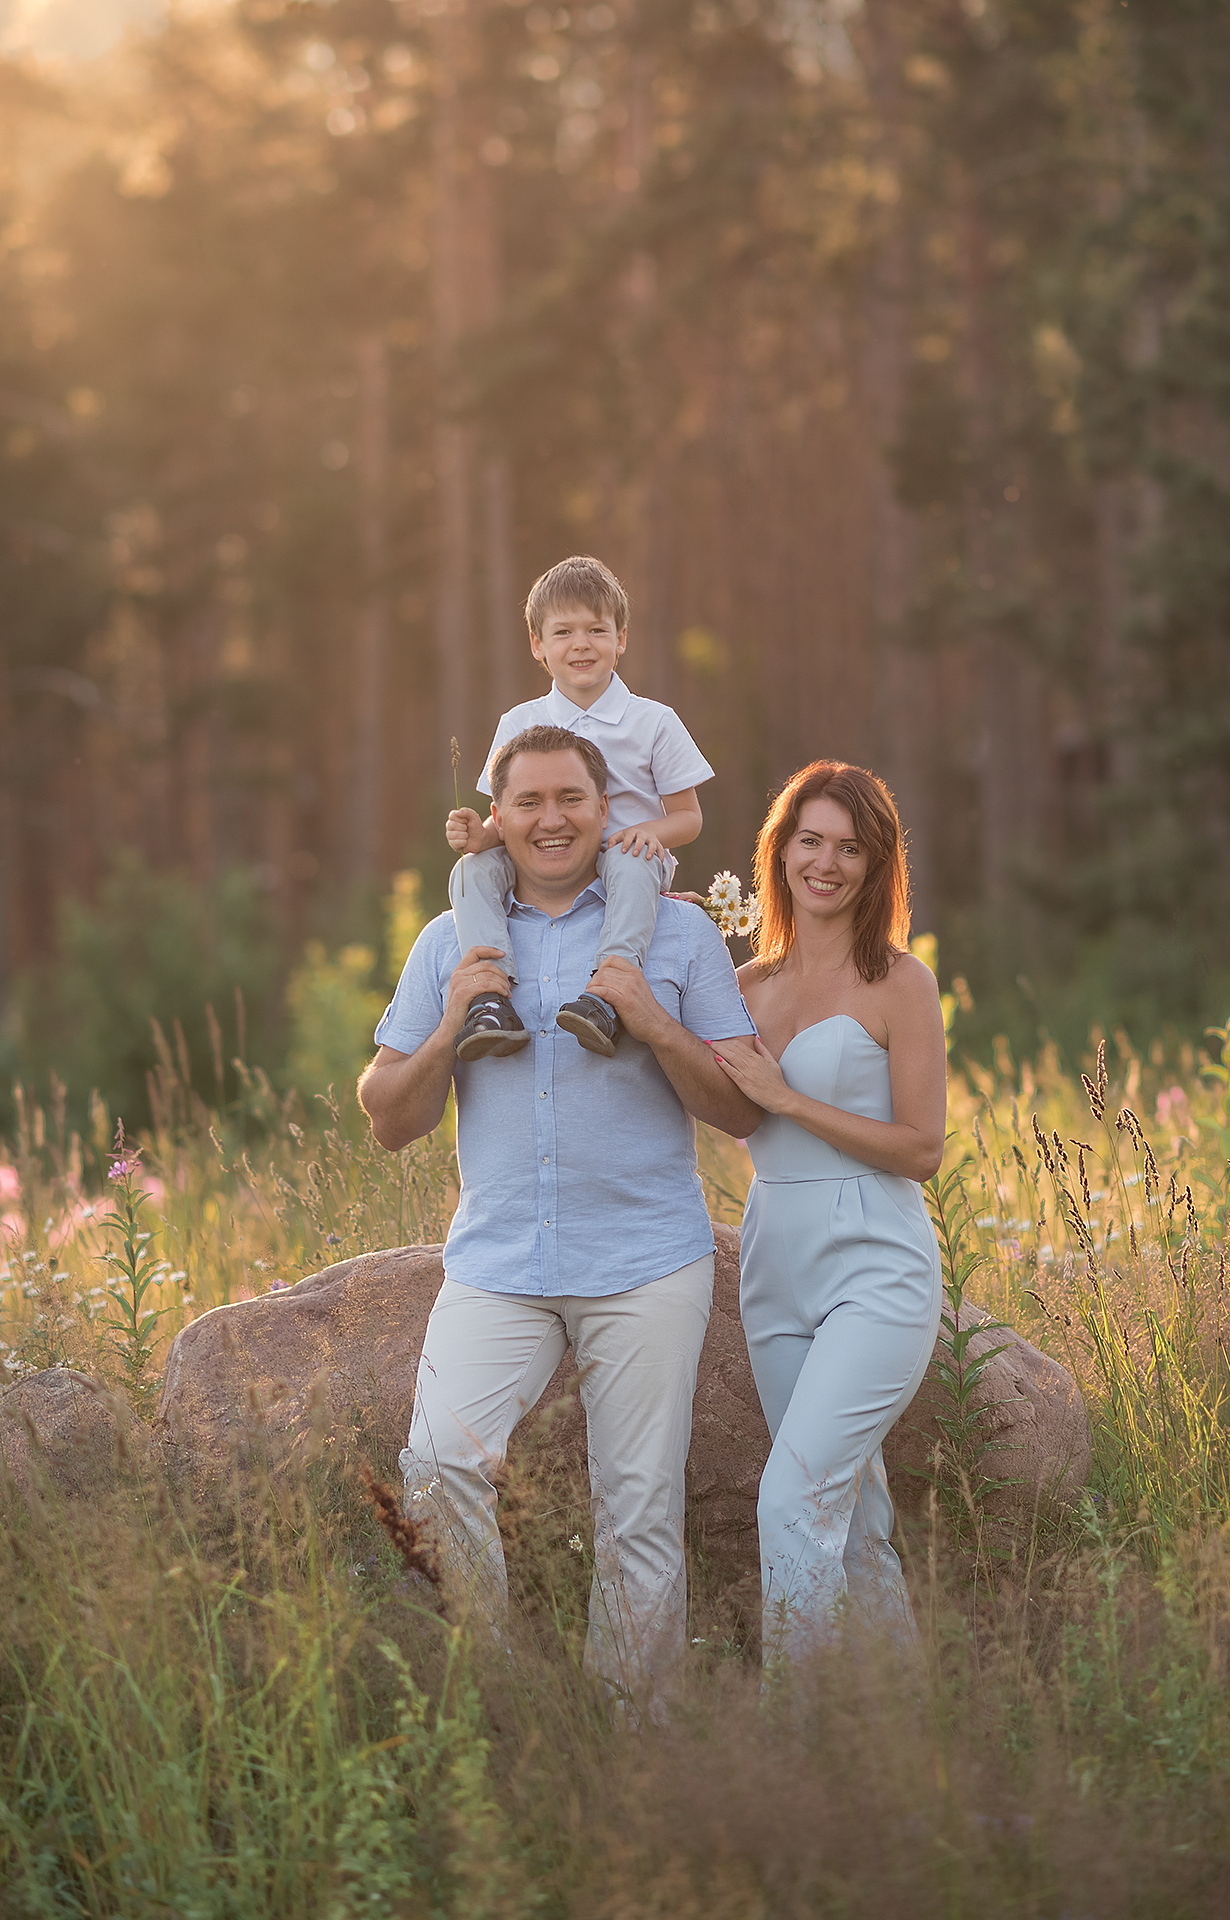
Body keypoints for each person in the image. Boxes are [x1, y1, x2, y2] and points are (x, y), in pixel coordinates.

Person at [358, 725, 760, 1707]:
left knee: (638, 1515)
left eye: (570, 798)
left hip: (646, 1263)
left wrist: (651, 1019)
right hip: (498, 1268)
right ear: (495, 817)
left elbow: (740, 1109)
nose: (551, 819)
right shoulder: (450, 939)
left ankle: (631, 1741)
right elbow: (388, 1120)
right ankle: (490, 1706)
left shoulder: (678, 933)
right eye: (528, 801)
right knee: (437, 1464)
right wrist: (450, 1026)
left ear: (606, 809)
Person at [711, 761, 947, 1664]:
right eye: (809, 840)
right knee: (849, 1519)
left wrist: (789, 1098)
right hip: (774, 1258)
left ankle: (797, 1730)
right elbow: (719, 1104)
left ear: (876, 865)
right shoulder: (742, 986)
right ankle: (897, 1729)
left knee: (793, 1499)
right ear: (780, 852)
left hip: (876, 1262)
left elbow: (921, 1149)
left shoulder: (900, 983)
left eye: (850, 848)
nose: (827, 863)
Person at [444, 555, 713, 1062]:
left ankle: (607, 994)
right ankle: (490, 998)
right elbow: (508, 819)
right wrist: (481, 836)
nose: (581, 644)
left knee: (629, 864)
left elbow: (689, 817)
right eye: (563, 632)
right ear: (537, 645)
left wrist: (650, 833)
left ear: (621, 638)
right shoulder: (519, 722)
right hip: (544, 858)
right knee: (469, 871)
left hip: (627, 860)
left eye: (596, 630)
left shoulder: (653, 721)